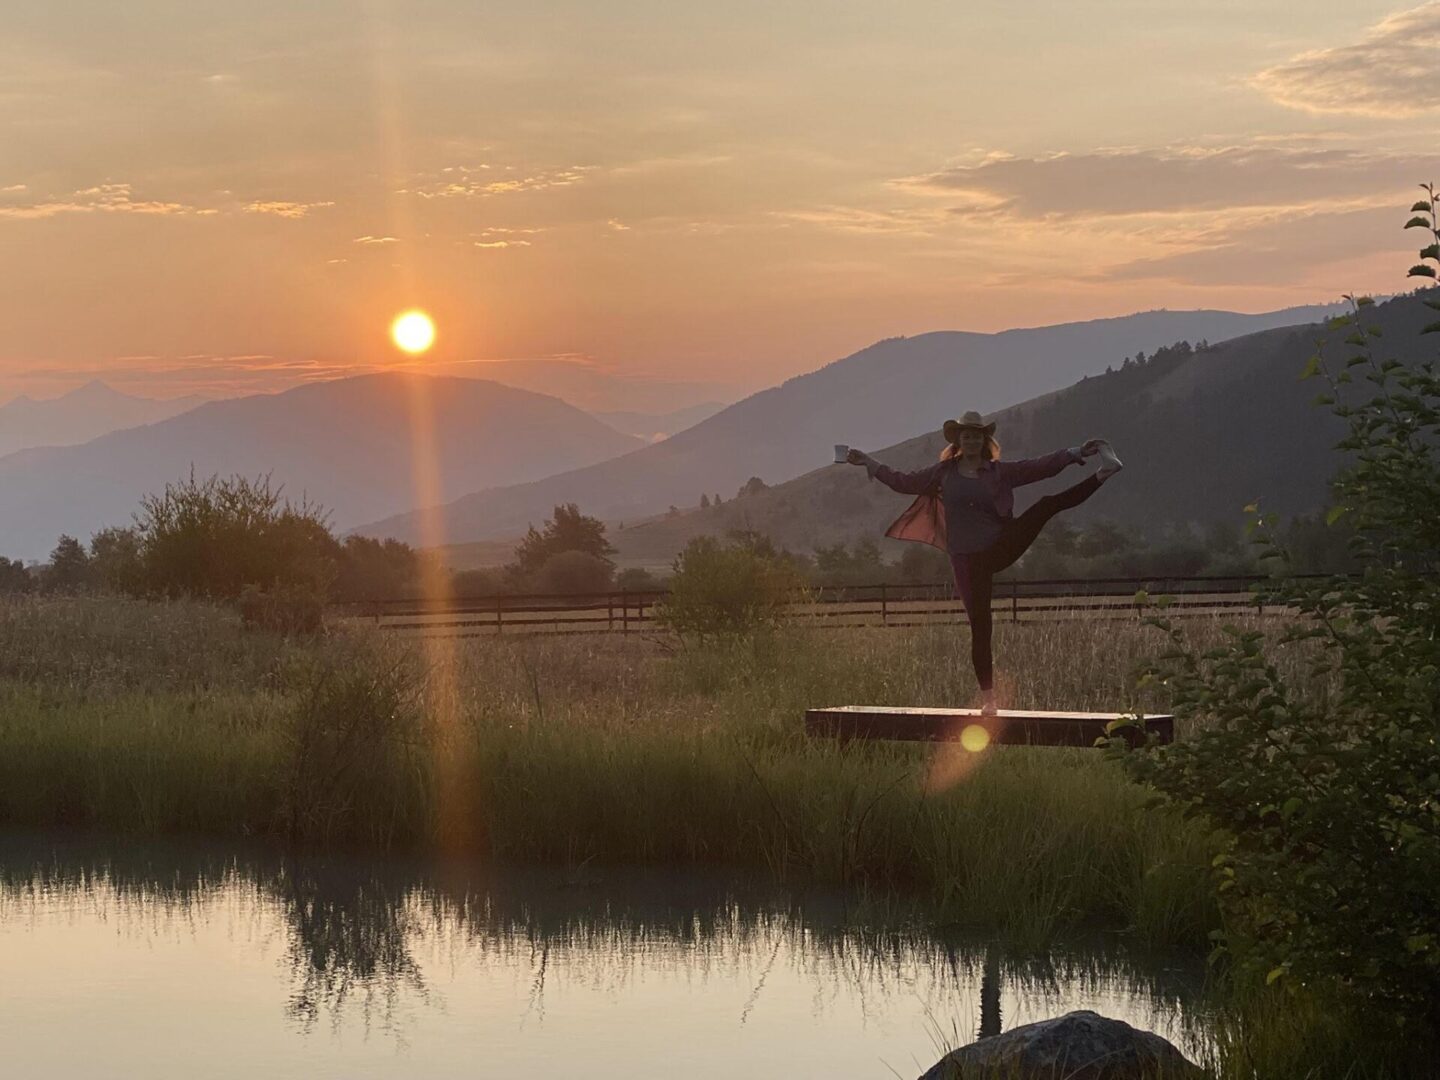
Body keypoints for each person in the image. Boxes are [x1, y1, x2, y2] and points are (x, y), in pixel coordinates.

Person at [846, 411, 1123, 714]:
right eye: (967, 436)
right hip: (967, 559)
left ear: (984, 440)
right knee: (980, 625)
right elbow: (904, 482)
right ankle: (988, 699)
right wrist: (869, 463)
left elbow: (1039, 467)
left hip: (1001, 544)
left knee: (1046, 505)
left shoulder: (998, 472)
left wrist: (1074, 453)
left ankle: (1104, 473)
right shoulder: (943, 473)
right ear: (959, 441)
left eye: (978, 436)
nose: (973, 440)